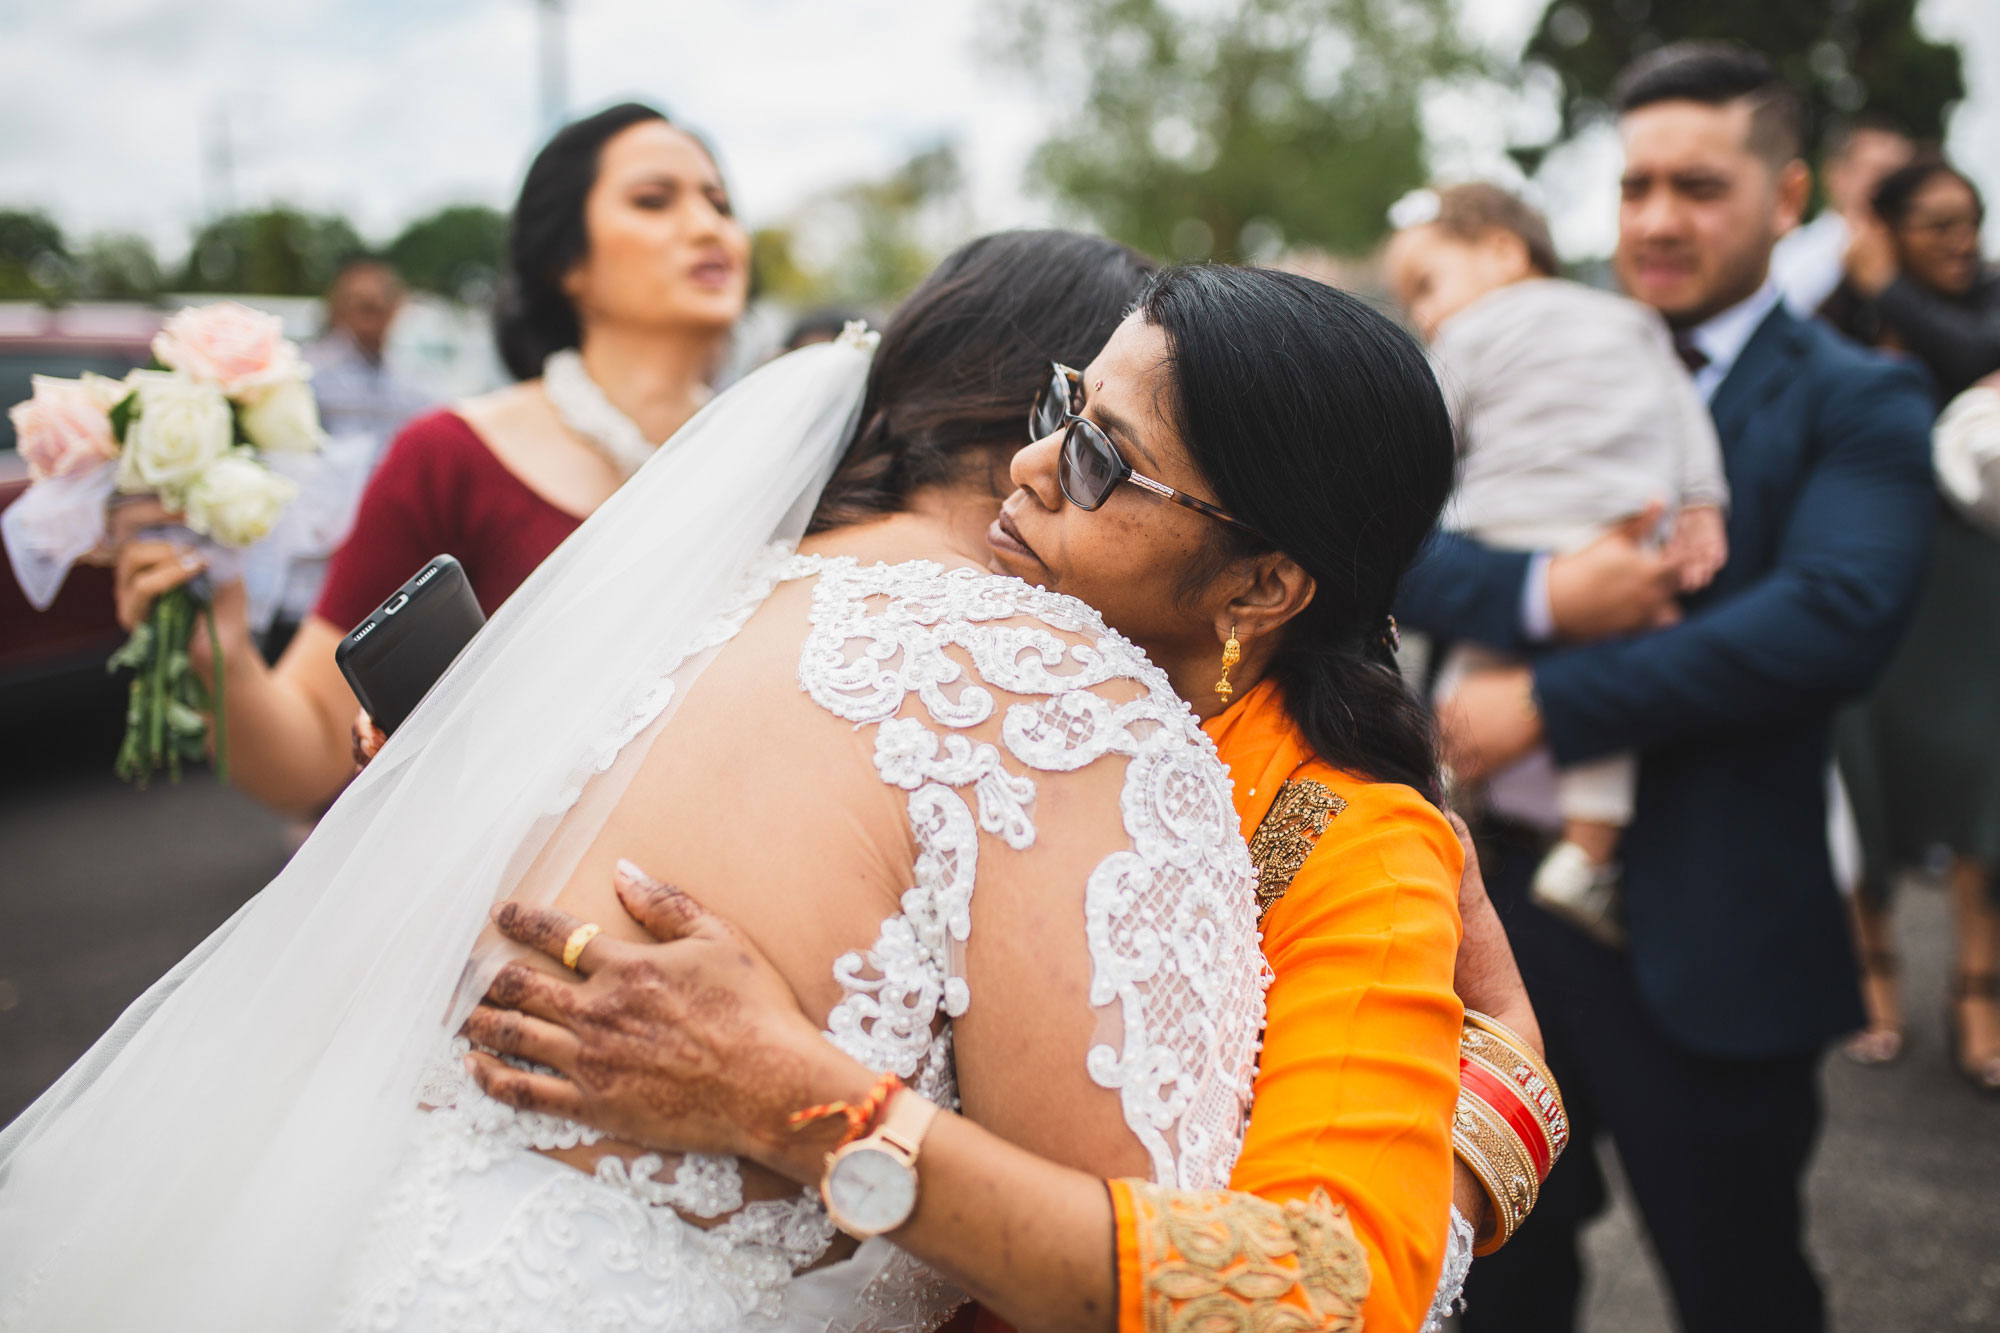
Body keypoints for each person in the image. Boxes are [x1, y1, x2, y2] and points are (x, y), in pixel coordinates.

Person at [0, 242, 1510, 1333]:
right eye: (1059, 410)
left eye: (1107, 462)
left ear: (1265, 581)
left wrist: (801, 1101)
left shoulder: (710, 610)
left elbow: (1257, 1287)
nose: (1034, 470)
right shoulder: (1051, 692)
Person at [1397, 43, 1937, 1332]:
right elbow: (1397, 542)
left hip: (1719, 927)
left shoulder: (1857, 395)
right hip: (1499, 921)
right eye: (1632, 185)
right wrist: (1542, 602)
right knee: (1493, 1286)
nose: (1652, 218)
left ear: (1786, 192)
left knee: (1739, 1284)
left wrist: (1556, 702)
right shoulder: (1530, 340)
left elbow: (1829, 619)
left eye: (1696, 186)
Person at [108, 101, 749, 814]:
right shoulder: (451, 457)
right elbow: (309, 758)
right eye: (655, 200)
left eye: (720, 202)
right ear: (565, 260)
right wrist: (218, 663)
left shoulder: (792, 456)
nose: (708, 225)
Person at [1384, 181, 1728, 944]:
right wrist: (1702, 501)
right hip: (1623, 531)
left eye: (1427, 285)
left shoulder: (1465, 336)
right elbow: (1686, 418)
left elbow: (1424, 440)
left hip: (1508, 526)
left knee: (1469, 683)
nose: (1422, 312)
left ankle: (1435, 819)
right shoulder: (1635, 321)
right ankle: (1586, 855)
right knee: (1603, 716)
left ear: (1505, 251)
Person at [257, 258, 436, 660]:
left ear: (397, 310)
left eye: (380, 302)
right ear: (338, 308)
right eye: (359, 303)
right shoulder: (304, 375)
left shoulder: (415, 384)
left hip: (384, 585)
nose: (370, 312)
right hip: (311, 584)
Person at [1825, 155, 2000, 400]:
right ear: (1885, 231)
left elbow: (1980, 355)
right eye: (1941, 226)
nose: (1966, 243)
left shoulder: (1990, 292)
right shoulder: (1853, 312)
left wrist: (1887, 286)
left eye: (1974, 223)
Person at [1769, 113, 1914, 316]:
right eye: (1875, 170)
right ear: (1836, 175)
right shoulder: (1792, 257)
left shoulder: (1925, 260)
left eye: (1900, 174)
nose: (1889, 185)